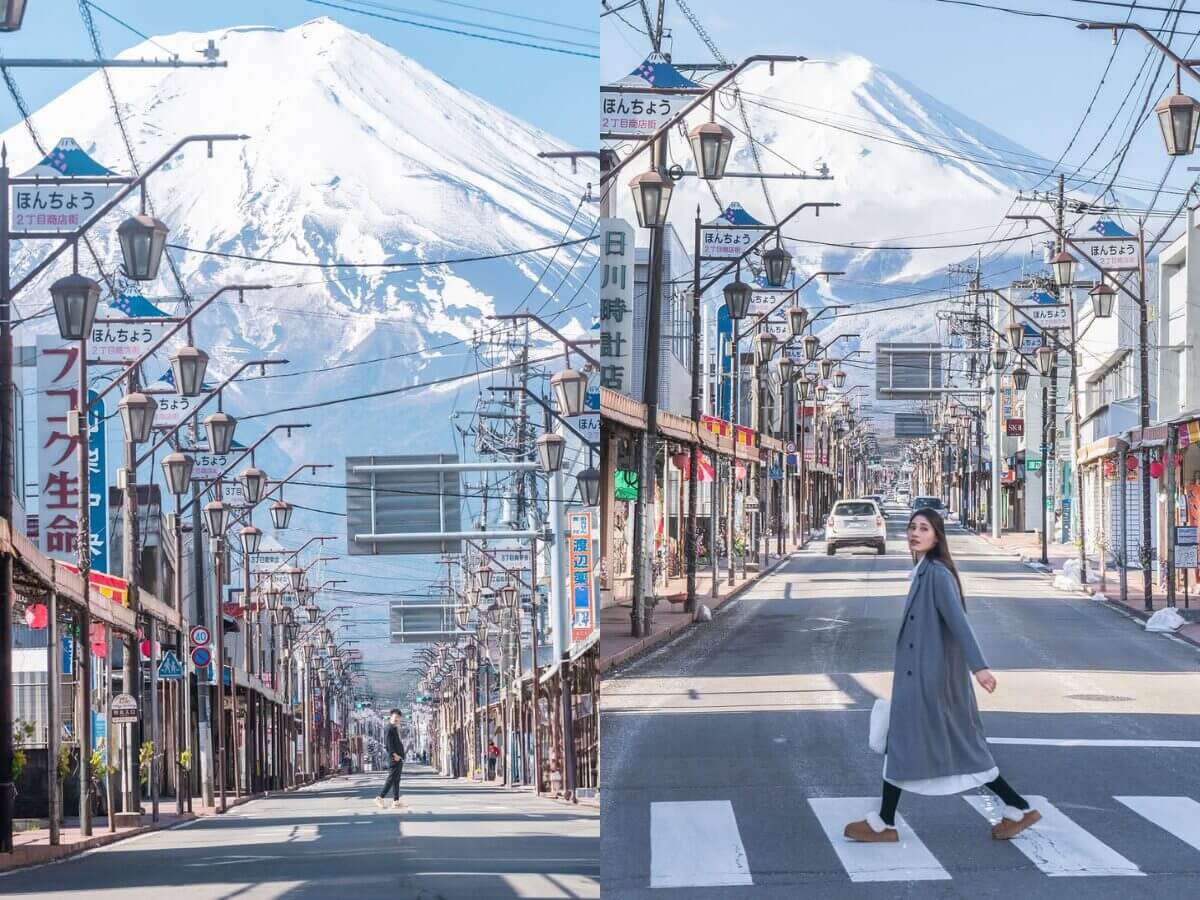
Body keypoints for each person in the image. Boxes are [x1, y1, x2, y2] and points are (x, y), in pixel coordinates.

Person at [844, 509, 1041, 843]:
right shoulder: (924, 572)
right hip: (921, 679)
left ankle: (885, 823)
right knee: (919, 748)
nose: (915, 533)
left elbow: (958, 622)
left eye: (924, 528)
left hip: (930, 682)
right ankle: (1015, 806)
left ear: (937, 536)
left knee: (925, 747)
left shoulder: (936, 574)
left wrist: (979, 667)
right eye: (912, 527)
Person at [374, 709, 405, 809]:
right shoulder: (389, 728)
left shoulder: (394, 728)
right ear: (391, 717)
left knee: (396, 780)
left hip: (398, 758)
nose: (397, 719)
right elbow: (388, 744)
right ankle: (380, 797)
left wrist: (400, 756)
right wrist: (394, 755)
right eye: (395, 717)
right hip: (394, 758)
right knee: (391, 778)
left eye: (398, 718)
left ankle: (396, 801)